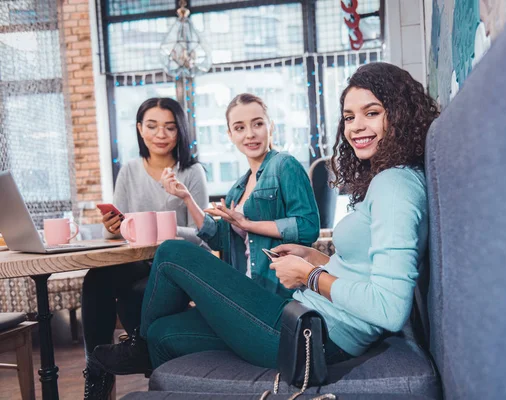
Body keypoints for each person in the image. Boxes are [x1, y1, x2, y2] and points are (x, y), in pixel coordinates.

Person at [92, 63, 438, 378]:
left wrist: (311, 276)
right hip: (304, 314)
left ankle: (136, 347)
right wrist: (316, 260)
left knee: (171, 253)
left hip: (314, 335)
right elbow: (364, 266)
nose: (356, 126)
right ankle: (145, 348)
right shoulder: (386, 179)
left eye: (372, 113)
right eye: (349, 117)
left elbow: (390, 309)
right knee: (162, 335)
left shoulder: (395, 185)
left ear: (400, 115)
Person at [82, 98, 209, 399]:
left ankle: (147, 362)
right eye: (152, 126)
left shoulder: (192, 172)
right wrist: (111, 227)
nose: (160, 134)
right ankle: (97, 374)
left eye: (169, 127)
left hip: (173, 267)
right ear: (140, 129)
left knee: (134, 291)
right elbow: (118, 231)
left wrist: (164, 229)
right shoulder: (128, 170)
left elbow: (205, 236)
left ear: (180, 131)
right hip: (134, 262)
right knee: (95, 278)